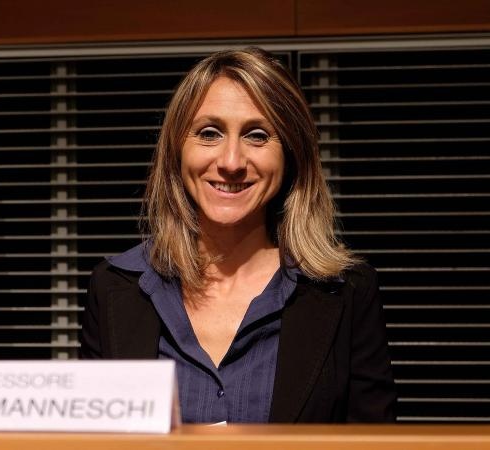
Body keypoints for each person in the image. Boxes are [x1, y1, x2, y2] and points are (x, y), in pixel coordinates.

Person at [81, 48, 396, 423]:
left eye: (257, 136)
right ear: (177, 149)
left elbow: (373, 442)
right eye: (209, 133)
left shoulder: (349, 293)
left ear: (290, 155)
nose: (231, 162)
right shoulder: (114, 287)